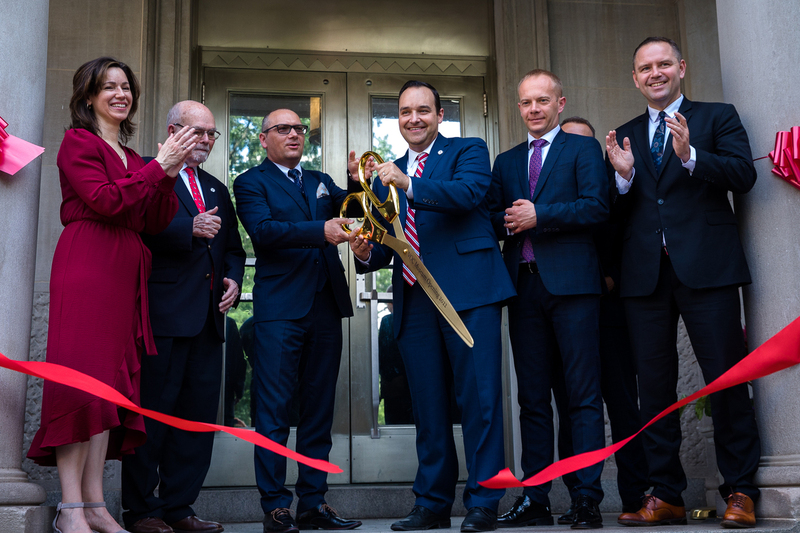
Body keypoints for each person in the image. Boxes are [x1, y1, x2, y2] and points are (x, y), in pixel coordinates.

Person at [26, 56, 198, 533]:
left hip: (126, 272)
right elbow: (104, 200)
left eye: (126, 87)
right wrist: (156, 170)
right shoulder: (77, 142)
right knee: (79, 384)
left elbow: (155, 221)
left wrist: (166, 172)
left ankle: (97, 505)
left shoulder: (136, 156)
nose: (121, 94)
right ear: (88, 97)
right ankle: (70, 509)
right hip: (88, 265)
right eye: (109, 87)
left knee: (109, 389)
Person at [606, 37, 760, 528]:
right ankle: (666, 493)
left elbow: (742, 175)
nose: (655, 73)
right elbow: (611, 214)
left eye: (663, 64)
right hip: (644, 277)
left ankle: (739, 490)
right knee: (652, 389)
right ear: (635, 77)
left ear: (681, 68)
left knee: (727, 381)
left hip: (707, 269)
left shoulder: (717, 116)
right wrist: (623, 180)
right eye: (645, 67)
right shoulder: (625, 134)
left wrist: (692, 155)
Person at [350, 80, 515, 533]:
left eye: (423, 110)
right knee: (428, 407)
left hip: (470, 294)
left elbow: (467, 196)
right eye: (405, 112)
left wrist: (409, 182)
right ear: (397, 119)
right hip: (413, 300)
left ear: (440, 115)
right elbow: (391, 244)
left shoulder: (468, 150)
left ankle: (484, 503)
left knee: (480, 402)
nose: (414, 119)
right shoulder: (386, 175)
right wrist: (366, 252)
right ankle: (432, 504)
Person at [486, 70, 608, 529]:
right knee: (532, 399)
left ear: (560, 103)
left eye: (542, 100)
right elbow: (493, 220)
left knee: (581, 396)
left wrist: (541, 215)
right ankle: (535, 498)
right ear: (518, 108)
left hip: (574, 286)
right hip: (524, 287)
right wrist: (510, 220)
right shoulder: (507, 160)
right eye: (525, 103)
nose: (533, 109)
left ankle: (586, 498)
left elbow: (597, 207)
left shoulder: (582, 149)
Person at [234, 109, 362, 533]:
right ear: (263, 137)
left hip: (326, 308)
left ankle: (313, 503)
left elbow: (354, 206)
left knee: (318, 412)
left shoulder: (318, 180)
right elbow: (265, 232)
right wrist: (319, 231)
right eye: (283, 129)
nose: (293, 135)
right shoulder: (250, 181)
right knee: (273, 412)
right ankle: (275, 507)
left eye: (299, 129)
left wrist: (359, 180)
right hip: (280, 312)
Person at [121, 101, 246, 533]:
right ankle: (142, 512)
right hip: (163, 316)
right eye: (200, 133)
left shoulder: (215, 188)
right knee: (152, 416)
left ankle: (180, 509)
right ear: (175, 130)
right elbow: (131, 224)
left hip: (209, 321)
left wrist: (233, 279)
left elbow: (233, 248)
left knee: (195, 421)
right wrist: (184, 230)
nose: (208, 141)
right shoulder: (146, 171)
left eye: (212, 134)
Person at [550, 116, 648, 524]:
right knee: (570, 406)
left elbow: (624, 227)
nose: (574, 151)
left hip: (608, 309)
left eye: (584, 145)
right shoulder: (549, 184)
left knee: (622, 403)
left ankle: (635, 497)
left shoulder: (611, 183)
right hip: (563, 305)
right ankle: (579, 497)